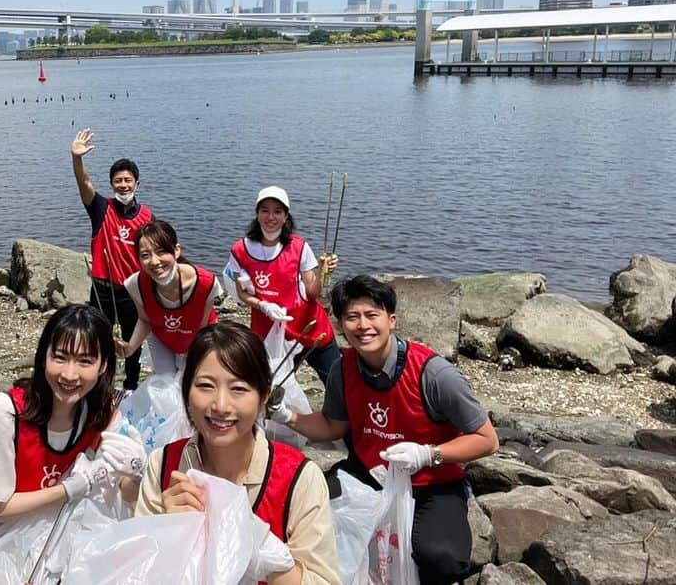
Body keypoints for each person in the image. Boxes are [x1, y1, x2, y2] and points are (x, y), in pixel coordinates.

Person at [268, 275, 499, 584]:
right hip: (367, 473)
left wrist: (428, 454)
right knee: (302, 516)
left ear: (392, 320)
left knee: (441, 559)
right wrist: (286, 415)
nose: (363, 325)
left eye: (371, 315)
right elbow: (332, 426)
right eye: (352, 317)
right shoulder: (343, 368)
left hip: (432, 482)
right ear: (340, 325)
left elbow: (487, 440)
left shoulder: (434, 373)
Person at [137, 322, 340, 585]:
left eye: (239, 389)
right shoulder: (165, 465)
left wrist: (261, 550)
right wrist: (170, 532)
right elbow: (138, 573)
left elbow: (323, 580)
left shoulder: (299, 478)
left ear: (264, 396)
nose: (221, 405)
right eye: (206, 385)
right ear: (186, 391)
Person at [0, 304, 146, 540]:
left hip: (63, 536)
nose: (69, 374)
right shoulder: (8, 412)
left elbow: (121, 490)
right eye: (60, 357)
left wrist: (137, 477)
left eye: (85, 361)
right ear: (43, 356)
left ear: (104, 366)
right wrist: (68, 489)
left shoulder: (105, 413)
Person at [227, 186, 340, 383]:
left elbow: (312, 293)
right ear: (257, 214)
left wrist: (322, 272)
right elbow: (242, 294)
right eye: (265, 210)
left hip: (308, 326)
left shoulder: (299, 246)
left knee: (337, 381)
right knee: (271, 387)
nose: (271, 217)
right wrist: (263, 305)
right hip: (269, 331)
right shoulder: (240, 250)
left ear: (286, 216)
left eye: (278, 211)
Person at [70, 128, 153, 390]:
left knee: (132, 343)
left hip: (131, 292)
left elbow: (156, 254)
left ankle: (130, 387)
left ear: (137, 183)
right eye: (118, 181)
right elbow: (84, 184)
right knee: (98, 340)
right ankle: (99, 385)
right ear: (111, 185)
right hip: (102, 290)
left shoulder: (147, 217)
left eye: (128, 180)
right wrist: (77, 158)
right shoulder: (101, 208)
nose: (123, 185)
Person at [115, 220, 221, 376]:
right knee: (164, 382)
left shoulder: (206, 283)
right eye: (145, 255)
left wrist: (190, 357)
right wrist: (130, 348)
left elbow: (203, 327)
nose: (155, 261)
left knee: (192, 382)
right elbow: (145, 320)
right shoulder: (135, 284)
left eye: (161, 251)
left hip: (198, 337)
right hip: (161, 338)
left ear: (176, 251)